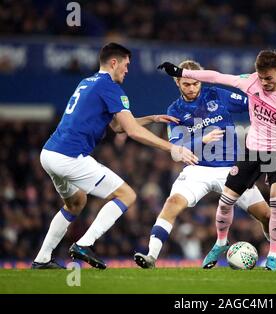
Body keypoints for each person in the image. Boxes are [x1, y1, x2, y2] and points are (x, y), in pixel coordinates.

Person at [157, 50, 276, 271]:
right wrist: (179, 71)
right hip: (253, 152)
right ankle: (221, 243)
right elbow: (216, 77)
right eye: (260, 77)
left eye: (268, 78)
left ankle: (274, 257)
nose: (264, 83)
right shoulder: (251, 81)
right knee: (226, 201)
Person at [31, 43, 197, 270]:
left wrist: (152, 118)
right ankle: (84, 244)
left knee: (76, 203)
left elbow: (118, 127)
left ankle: (42, 259)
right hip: (70, 156)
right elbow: (131, 131)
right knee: (127, 195)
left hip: (49, 153)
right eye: (126, 65)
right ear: (113, 63)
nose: (127, 71)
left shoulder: (88, 82)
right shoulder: (110, 87)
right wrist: (171, 148)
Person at [133, 60, 276, 269]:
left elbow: (254, 104)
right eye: (186, 84)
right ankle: (151, 256)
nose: (192, 88)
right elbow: (176, 149)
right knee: (172, 203)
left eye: (195, 83)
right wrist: (201, 139)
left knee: (267, 215)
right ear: (177, 82)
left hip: (231, 169)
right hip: (198, 169)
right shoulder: (174, 110)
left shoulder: (217, 95)